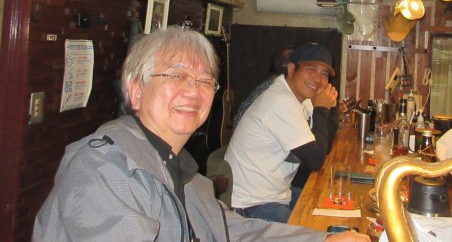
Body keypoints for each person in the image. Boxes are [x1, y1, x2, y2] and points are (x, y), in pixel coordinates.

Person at [33, 27, 368, 242]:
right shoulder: (103, 168)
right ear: (135, 91)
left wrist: (322, 240)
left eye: (205, 81)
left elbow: (231, 229)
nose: (193, 91)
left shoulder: (182, 170)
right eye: (175, 76)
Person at [225, 42, 338, 223]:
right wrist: (322, 109)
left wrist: (329, 109)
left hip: (277, 195)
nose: (318, 79)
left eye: (324, 74)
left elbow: (324, 147)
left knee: (329, 210)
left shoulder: (302, 98)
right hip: (250, 205)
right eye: (311, 69)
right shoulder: (280, 101)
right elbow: (316, 160)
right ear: (291, 69)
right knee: (315, 229)